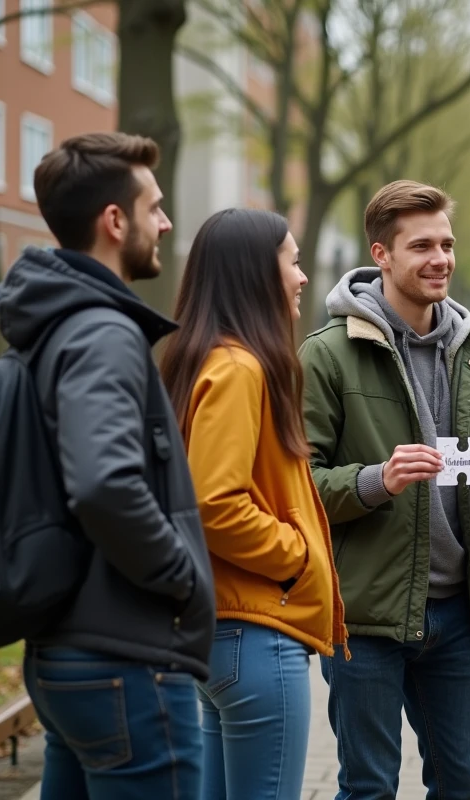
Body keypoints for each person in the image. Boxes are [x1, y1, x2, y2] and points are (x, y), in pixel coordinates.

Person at [0, 132, 215, 798]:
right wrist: (179, 578)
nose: (167, 223)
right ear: (114, 222)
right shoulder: (102, 330)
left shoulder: (52, 321)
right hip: (127, 656)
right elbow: (104, 482)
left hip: (68, 648)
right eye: (155, 208)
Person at [299, 180, 470, 799]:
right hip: (365, 616)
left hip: (456, 614)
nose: (440, 259)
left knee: (464, 784)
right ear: (382, 254)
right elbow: (299, 489)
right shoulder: (327, 357)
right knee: (369, 786)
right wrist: (377, 480)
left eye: (446, 244)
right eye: (421, 246)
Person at [159, 209, 349, 800]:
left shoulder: (205, 360)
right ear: (254, 274)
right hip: (257, 632)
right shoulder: (239, 368)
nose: (301, 277)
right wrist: (297, 557)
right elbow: (214, 503)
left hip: (221, 630)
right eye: (291, 262)